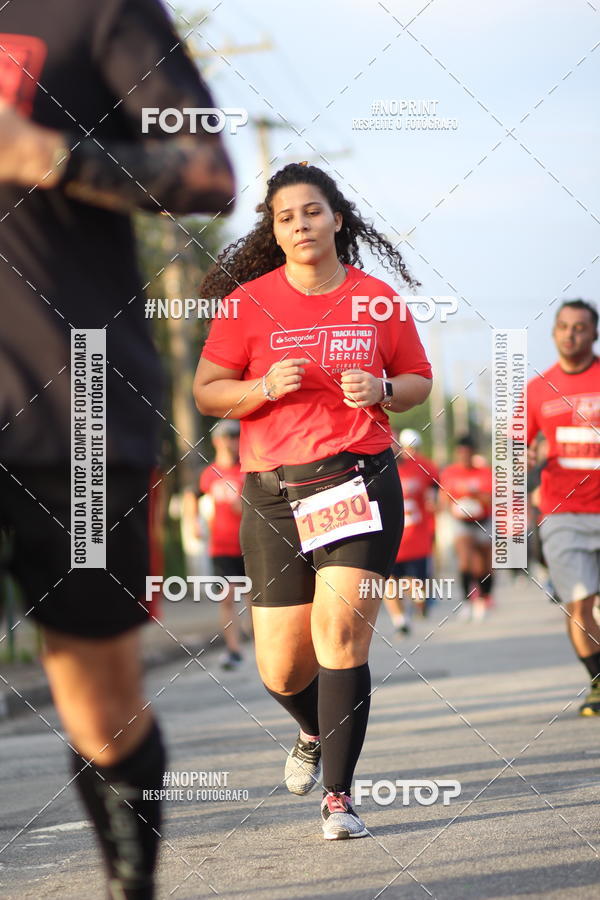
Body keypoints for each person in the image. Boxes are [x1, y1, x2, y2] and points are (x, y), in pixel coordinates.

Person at [0, 1, 235, 897]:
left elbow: (209, 171)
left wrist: (48, 157)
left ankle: (128, 887)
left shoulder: (95, 9)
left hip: (74, 405)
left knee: (97, 708)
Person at [194, 162, 433, 840]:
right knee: (281, 666)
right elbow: (207, 390)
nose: (301, 224)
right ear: (274, 230)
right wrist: (263, 387)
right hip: (272, 493)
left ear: (337, 218)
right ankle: (310, 731)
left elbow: (419, 379)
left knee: (340, 636)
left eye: (312, 211)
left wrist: (384, 389)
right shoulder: (248, 303)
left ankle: (339, 798)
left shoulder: (376, 299)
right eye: (286, 216)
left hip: (354, 479)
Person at [527, 299, 600, 715]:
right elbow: (516, 445)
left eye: (580, 327)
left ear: (593, 334)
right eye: (564, 327)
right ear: (554, 333)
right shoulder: (538, 388)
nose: (571, 334)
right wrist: (524, 461)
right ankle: (598, 682)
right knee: (579, 604)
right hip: (563, 512)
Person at [198, 420, 249, 670]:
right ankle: (233, 649)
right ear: (216, 441)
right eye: (227, 436)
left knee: (255, 597)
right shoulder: (209, 474)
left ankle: (262, 643)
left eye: (236, 436)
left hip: (249, 543)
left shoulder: (247, 470)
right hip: (221, 546)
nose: (232, 441)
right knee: (227, 598)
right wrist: (192, 523)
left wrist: (245, 507)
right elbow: (194, 496)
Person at [384, 429, 439, 634]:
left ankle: (419, 603)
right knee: (390, 581)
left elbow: (436, 485)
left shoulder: (418, 467)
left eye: (394, 442)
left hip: (416, 536)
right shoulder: (377, 470)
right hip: (390, 537)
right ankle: (400, 621)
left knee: (415, 584)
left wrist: (434, 499)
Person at [439, 436, 493, 621]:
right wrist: (453, 506)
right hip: (460, 521)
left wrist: (473, 496)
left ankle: (484, 597)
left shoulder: (484, 472)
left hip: (483, 520)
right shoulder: (450, 473)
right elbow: (444, 498)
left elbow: (490, 498)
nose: (464, 457)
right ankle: (467, 601)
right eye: (460, 454)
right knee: (465, 561)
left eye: (467, 454)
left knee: (484, 566)